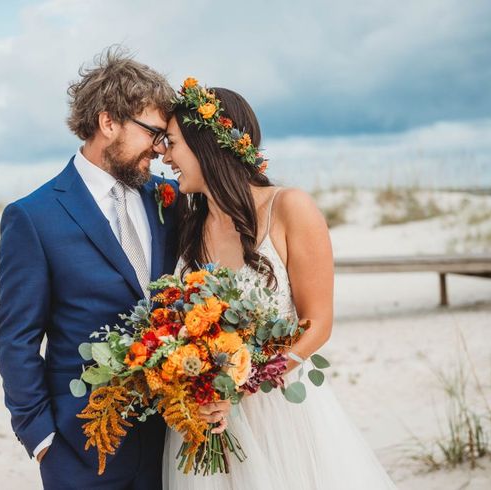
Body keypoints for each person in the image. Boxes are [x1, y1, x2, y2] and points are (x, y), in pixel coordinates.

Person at [160, 80, 397, 489]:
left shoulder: (289, 208)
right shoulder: (188, 224)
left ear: (207, 146)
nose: (165, 155)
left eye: (173, 142)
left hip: (280, 411)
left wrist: (244, 385)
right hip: (206, 420)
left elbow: (317, 324)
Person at [0, 47, 181, 489]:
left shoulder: (172, 200)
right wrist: (41, 438)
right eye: (153, 132)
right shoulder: (33, 217)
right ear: (108, 122)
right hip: (80, 449)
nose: (159, 148)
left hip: (170, 439)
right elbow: (17, 339)